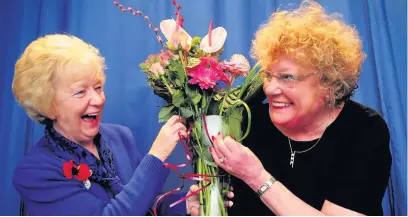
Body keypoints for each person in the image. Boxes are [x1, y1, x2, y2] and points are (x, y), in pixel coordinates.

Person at [209, 1, 392, 216]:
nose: (270, 88)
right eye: (268, 75)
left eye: (288, 77)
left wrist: (256, 176)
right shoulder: (247, 120)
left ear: (328, 83)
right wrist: (204, 205)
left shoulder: (364, 130)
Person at [12, 34, 194, 215]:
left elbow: (147, 202)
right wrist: (156, 156)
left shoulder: (121, 137)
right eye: (80, 92)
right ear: (48, 106)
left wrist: (185, 204)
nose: (98, 100)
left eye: (98, 87)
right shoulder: (35, 173)